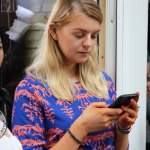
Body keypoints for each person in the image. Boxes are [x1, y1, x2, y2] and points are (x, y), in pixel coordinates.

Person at [11, 0, 139, 149]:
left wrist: (122, 128)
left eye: (94, 36)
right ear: (54, 31)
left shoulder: (103, 81)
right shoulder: (30, 91)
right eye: (79, 35)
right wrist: (82, 127)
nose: (88, 44)